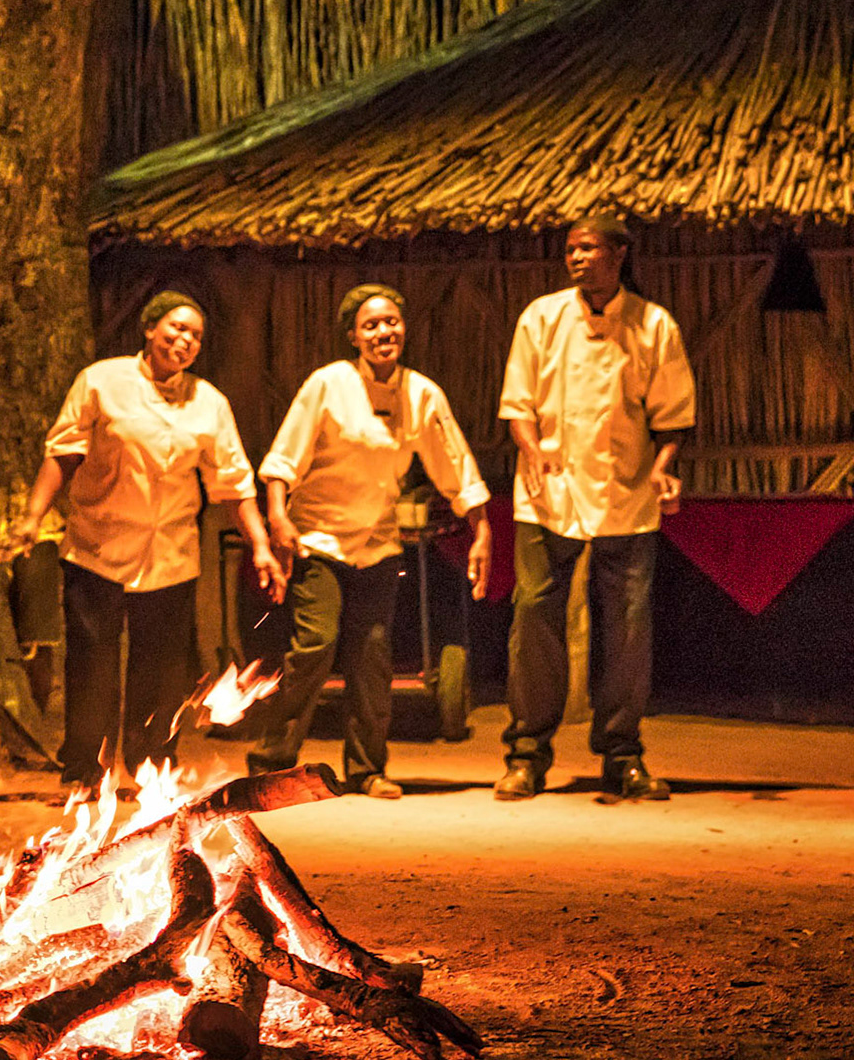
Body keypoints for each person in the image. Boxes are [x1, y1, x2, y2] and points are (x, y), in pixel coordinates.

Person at [0, 291, 286, 790]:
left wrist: (260, 544)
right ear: (149, 330)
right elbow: (63, 452)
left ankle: (151, 764)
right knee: (93, 662)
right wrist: (32, 516)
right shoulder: (101, 382)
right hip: (97, 546)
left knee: (162, 667)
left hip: (171, 554)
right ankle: (84, 768)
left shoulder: (209, 402)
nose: (185, 341)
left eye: (195, 335)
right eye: (176, 329)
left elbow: (234, 485)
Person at [246, 285, 493, 798]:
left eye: (392, 322)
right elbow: (282, 460)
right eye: (372, 325)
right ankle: (271, 761)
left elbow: (456, 466)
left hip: (377, 543)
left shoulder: (421, 394)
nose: (385, 332)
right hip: (317, 538)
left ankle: (367, 768)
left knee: (373, 652)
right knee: (315, 644)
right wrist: (277, 518)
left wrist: (482, 528)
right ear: (354, 336)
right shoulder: (328, 384)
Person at [494, 215, 695, 804]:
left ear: (620, 253)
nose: (577, 258)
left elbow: (673, 418)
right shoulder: (541, 318)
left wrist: (662, 467)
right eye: (571, 250)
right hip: (546, 494)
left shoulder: (653, 325)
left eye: (589, 248)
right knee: (534, 616)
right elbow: (517, 405)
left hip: (625, 494)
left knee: (627, 624)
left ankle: (622, 754)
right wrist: (534, 453)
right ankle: (527, 754)